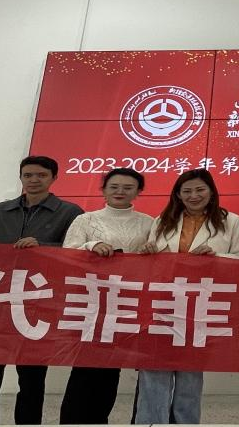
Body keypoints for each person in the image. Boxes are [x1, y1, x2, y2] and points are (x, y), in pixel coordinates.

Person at [0, 155, 83, 426]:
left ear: (54, 178)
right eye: (28, 175)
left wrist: (44, 247)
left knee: (31, 379)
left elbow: (77, 252)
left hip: (38, 301)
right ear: (20, 177)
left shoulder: (71, 212)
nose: (33, 180)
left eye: (41, 175)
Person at [135, 168, 239, 423]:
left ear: (211, 192)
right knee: (153, 368)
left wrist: (215, 257)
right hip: (162, 302)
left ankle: (186, 423)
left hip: (201, 303)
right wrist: (147, 250)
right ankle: (151, 422)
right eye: (186, 191)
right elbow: (152, 260)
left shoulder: (231, 221)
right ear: (177, 194)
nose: (193, 196)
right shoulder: (163, 219)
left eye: (200, 190)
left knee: (190, 373)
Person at [57, 168, 153, 425]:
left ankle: (100, 420)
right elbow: (68, 253)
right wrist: (91, 246)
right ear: (103, 190)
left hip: (128, 302)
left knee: (112, 367)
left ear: (138, 191)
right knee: (86, 365)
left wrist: (150, 250)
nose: (120, 191)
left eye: (128, 187)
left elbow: (158, 259)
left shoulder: (148, 222)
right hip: (93, 301)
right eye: (114, 186)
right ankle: (74, 421)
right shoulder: (85, 220)